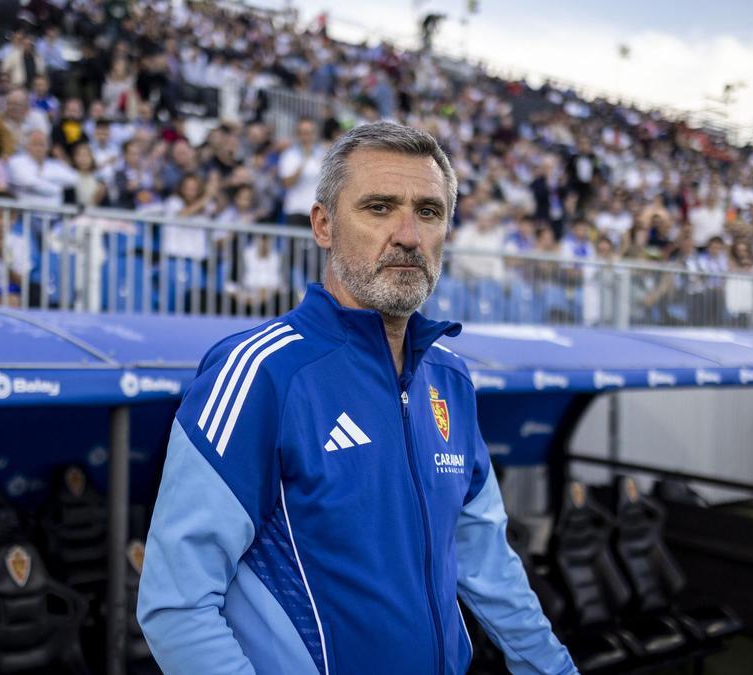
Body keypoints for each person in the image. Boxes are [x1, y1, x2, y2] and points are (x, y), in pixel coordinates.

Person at [138, 121, 575, 674]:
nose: (408, 235)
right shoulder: (259, 373)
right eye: (379, 207)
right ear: (323, 225)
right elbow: (176, 605)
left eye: (429, 212)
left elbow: (488, 562)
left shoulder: (450, 379)